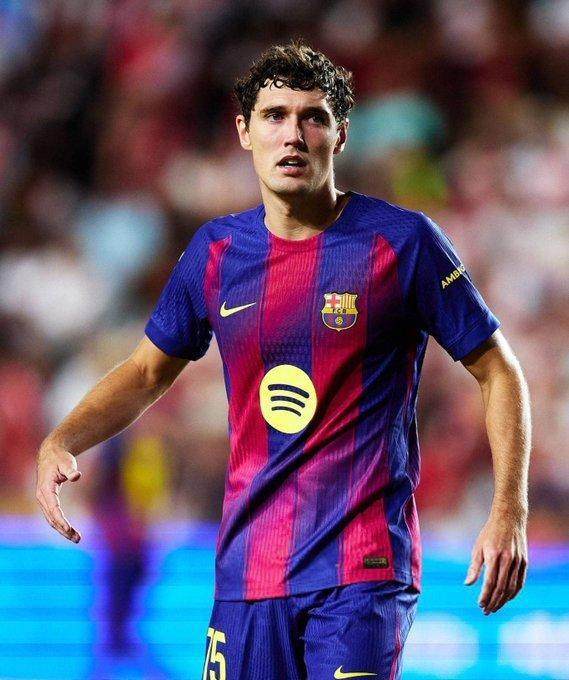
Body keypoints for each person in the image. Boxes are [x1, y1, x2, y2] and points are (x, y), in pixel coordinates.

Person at [36, 40, 531, 679]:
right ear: (245, 131)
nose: (293, 134)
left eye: (312, 117)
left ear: (340, 133)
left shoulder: (402, 242)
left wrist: (508, 508)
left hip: (362, 570)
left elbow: (498, 369)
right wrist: (63, 439)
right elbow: (146, 371)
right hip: (247, 574)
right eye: (274, 116)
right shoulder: (216, 253)